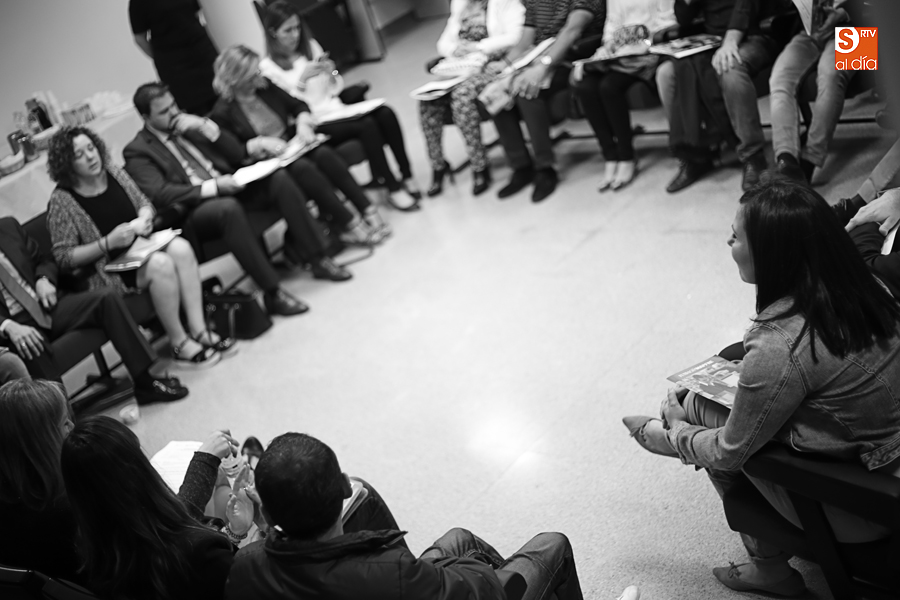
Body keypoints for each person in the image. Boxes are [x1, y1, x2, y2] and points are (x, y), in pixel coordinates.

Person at [623, 181, 900, 596]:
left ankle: (769, 567)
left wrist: (677, 435)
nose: (728, 242)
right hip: (885, 461)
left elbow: (730, 451)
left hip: (866, 507)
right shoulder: (865, 283)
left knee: (696, 406)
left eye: (735, 236)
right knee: (724, 371)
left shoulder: (781, 339)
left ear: (771, 254)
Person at [60, 417, 407, 600]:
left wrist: (234, 530)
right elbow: (260, 571)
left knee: (227, 489)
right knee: (363, 492)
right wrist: (259, 530)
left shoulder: (89, 552)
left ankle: (255, 476)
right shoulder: (210, 555)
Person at [225, 432, 585, 600]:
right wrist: (461, 568)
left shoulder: (244, 565)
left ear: (265, 511)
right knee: (552, 545)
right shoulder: (390, 573)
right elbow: (488, 589)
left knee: (459, 538)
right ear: (346, 487)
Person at [126, 82, 358, 290]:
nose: (174, 113)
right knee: (228, 208)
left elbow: (236, 153)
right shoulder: (138, 150)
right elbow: (161, 193)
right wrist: (215, 187)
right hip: (197, 206)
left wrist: (206, 127)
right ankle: (273, 291)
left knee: (278, 178)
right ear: (146, 118)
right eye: (164, 112)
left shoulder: (189, 125)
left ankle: (318, 258)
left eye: (174, 105)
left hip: (231, 183)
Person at [46, 126, 234, 369]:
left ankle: (199, 329)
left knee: (181, 248)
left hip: (140, 249)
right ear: (66, 163)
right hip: (107, 270)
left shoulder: (112, 171)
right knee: (161, 265)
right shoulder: (62, 200)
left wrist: (145, 217)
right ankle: (179, 343)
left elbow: (143, 202)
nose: (91, 157)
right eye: (79, 155)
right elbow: (63, 256)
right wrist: (107, 243)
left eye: (91, 148)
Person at [0, 380, 215, 582]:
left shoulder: (15, 511)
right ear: (42, 444)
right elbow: (170, 539)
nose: (73, 427)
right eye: (64, 423)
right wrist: (205, 462)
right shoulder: (80, 511)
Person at [209, 45, 398, 238]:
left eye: (257, 71)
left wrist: (303, 123)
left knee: (324, 154)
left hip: (292, 144)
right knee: (303, 168)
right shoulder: (222, 112)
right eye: (250, 76)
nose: (256, 78)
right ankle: (351, 224)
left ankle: (368, 210)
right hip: (270, 162)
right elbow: (235, 153)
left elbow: (298, 105)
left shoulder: (264, 86)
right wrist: (259, 143)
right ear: (234, 78)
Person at [0, 216, 188, 402]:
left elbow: (44, 260)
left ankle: (144, 381)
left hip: (45, 303)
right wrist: (7, 325)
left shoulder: (8, 226)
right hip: (15, 323)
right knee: (30, 344)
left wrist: (44, 279)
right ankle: (62, 418)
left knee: (106, 298)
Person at [259, 1, 422, 209]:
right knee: (368, 125)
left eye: (297, 27)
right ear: (273, 33)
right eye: (288, 31)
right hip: (314, 121)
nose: (295, 35)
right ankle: (393, 187)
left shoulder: (311, 47)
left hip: (335, 108)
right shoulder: (268, 68)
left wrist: (332, 73)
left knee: (385, 113)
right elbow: (289, 108)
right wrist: (301, 81)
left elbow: (334, 89)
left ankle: (407, 176)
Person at [656, 0, 782, 193]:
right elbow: (684, 18)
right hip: (713, 38)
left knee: (729, 66)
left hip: (753, 33)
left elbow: (745, 6)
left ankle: (754, 155)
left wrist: (730, 41)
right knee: (666, 74)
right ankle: (695, 154)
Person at [488, 0, 606, 203]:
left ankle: (545, 168)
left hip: (569, 58)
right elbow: (526, 39)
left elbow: (572, 31)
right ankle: (521, 166)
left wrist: (543, 66)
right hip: (536, 56)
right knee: (498, 89)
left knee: (526, 89)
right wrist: (505, 64)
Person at [418, 0, 526, 197]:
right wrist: (454, 50)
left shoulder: (505, 2)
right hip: (461, 67)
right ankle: (438, 165)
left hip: (491, 65)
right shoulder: (461, 4)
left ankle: (479, 165)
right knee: (428, 101)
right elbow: (443, 43)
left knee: (462, 96)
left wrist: (478, 47)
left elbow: (516, 36)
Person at [571, 0, 676, 191]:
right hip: (619, 55)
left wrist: (643, 43)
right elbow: (612, 23)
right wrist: (608, 45)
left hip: (648, 53)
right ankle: (610, 156)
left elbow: (668, 21)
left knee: (608, 87)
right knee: (586, 87)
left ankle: (627, 156)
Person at [769, 2, 859, 184]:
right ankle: (787, 162)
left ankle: (809, 160)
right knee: (779, 77)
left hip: (860, 29)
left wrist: (844, 12)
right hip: (810, 32)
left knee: (831, 74)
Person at [129, 0, 219, 115]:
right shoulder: (139, 2)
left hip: (202, 51)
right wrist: (164, 58)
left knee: (222, 97)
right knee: (196, 109)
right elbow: (140, 39)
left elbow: (198, 13)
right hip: (175, 65)